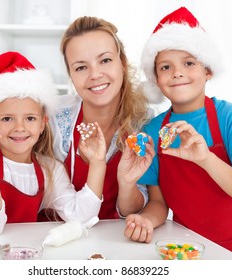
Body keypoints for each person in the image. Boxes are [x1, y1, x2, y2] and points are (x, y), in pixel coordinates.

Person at [125, 7, 232, 260]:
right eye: (166, 67)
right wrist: (146, 220)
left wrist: (206, 159)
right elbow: (159, 203)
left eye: (189, 63)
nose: (177, 72)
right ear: (156, 79)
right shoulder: (153, 130)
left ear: (208, 70)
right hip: (187, 250)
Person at [0, 51, 106, 235]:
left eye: (30, 118)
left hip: (11, 249)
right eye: (7, 119)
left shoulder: (50, 169)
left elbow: (81, 216)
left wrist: (97, 164)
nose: (19, 127)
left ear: (43, 123)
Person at [48, 16, 155, 220]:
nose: (95, 74)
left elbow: (132, 212)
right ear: (71, 76)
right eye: (81, 67)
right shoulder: (55, 118)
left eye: (105, 60)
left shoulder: (145, 122)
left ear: (122, 63)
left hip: (115, 242)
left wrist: (127, 184)